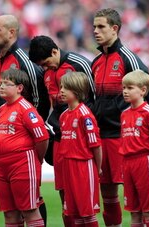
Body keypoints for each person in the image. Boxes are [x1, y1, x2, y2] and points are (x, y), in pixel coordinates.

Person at [91, 8, 149, 227]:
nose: (96, 31)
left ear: (114, 28)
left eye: (101, 27)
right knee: (107, 191)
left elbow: (148, 102)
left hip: (124, 136)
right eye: (94, 27)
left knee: (135, 190)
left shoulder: (129, 59)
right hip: (102, 135)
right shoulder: (96, 62)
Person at [0, 14, 50, 224]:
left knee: (31, 202)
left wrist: (32, 135)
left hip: (24, 149)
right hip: (2, 146)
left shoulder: (26, 63)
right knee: (10, 209)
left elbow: (40, 102)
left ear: (12, 32)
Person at [28, 35, 96, 226]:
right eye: (42, 65)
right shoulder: (47, 74)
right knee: (63, 189)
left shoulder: (79, 63)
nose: (45, 68)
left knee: (81, 191)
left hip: (80, 138)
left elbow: (94, 99)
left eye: (47, 63)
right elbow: (53, 106)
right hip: (59, 136)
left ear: (55, 51)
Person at [0, 68, 49, 227]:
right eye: (0, 83)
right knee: (10, 214)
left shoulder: (26, 108)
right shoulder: (1, 109)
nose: (1, 87)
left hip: (22, 164)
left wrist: (37, 158)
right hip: (2, 168)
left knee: (29, 210)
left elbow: (42, 137)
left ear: (19, 88)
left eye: (6, 84)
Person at [121, 70, 149, 227]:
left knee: (148, 211)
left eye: (130, 87)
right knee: (134, 211)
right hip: (127, 163)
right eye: (124, 87)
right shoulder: (124, 114)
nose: (125, 91)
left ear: (143, 90)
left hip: (144, 162)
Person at [59, 71, 102, 226]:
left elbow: (96, 145)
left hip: (84, 165)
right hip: (68, 166)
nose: (61, 90)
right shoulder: (64, 115)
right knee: (75, 212)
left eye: (66, 88)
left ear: (77, 91)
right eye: (61, 86)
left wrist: (98, 167)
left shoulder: (85, 115)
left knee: (87, 212)